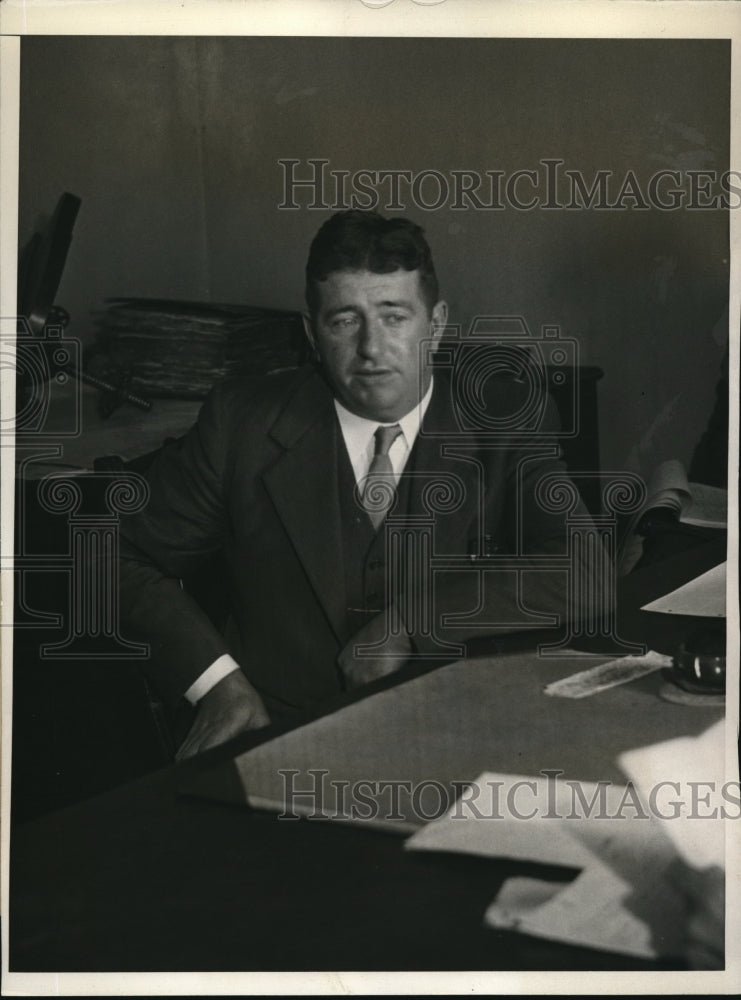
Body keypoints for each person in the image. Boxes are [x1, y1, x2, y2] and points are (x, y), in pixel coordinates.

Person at [118, 210, 607, 759]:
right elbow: (113, 556)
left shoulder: (502, 413)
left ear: (436, 324)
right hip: (282, 741)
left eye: (394, 316)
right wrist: (216, 685)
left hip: (459, 737)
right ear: (312, 333)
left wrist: (409, 623)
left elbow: (584, 571)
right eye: (345, 321)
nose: (371, 347)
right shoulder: (242, 422)